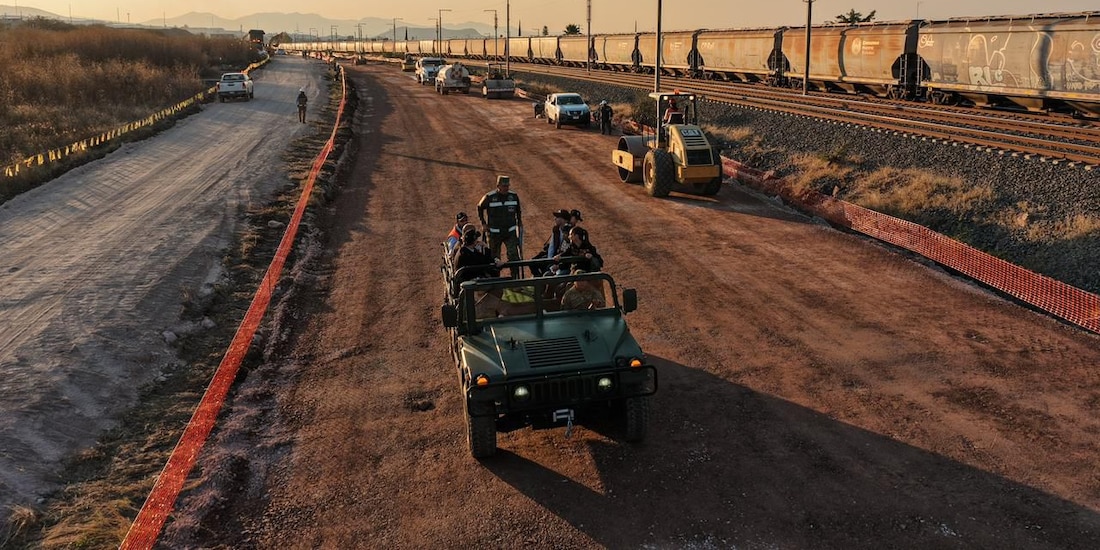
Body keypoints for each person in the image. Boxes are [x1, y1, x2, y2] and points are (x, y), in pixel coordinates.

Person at [477, 175, 523, 271]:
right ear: (498, 185)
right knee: (494, 259)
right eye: (504, 186)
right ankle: (495, 281)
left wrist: (519, 222)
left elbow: (518, 211)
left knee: (514, 256)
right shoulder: (489, 197)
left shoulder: (513, 197)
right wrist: (483, 223)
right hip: (494, 234)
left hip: (510, 232)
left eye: (507, 186)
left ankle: (515, 280)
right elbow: (480, 207)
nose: (506, 188)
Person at [530, 209, 572, 276]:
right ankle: (539, 281)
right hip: (553, 256)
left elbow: (567, 250)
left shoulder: (570, 232)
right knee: (532, 262)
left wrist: (551, 262)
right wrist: (549, 260)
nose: (555, 218)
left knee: (546, 270)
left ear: (565, 220)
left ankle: (542, 281)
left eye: (558, 217)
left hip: (561, 258)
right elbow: (551, 246)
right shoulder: (556, 229)